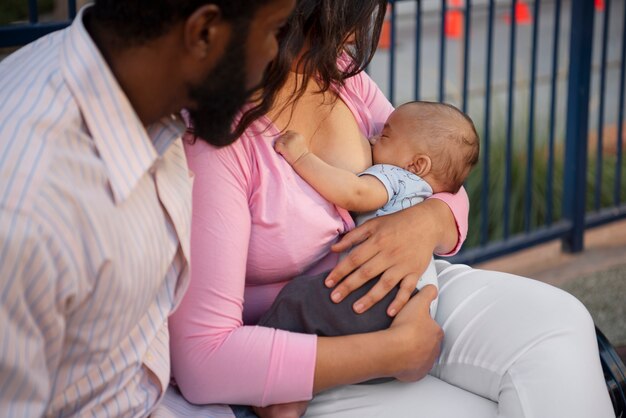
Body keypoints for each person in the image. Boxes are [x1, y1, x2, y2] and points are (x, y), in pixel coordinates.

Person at [166, 1, 614, 418]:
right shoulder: (216, 141)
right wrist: (395, 352)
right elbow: (202, 357)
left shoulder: (339, 76)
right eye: (350, 19)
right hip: (315, 336)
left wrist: (427, 221)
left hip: (410, 285)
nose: (358, 37)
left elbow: (435, 171)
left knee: (560, 322)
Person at [0, 0, 295, 416]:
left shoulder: (142, 91)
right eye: (274, 29)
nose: (273, 53)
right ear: (204, 32)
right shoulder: (27, 209)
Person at [260, 100, 480, 337]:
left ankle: (257, 349)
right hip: (410, 299)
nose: (373, 138)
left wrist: (301, 156)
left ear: (416, 164)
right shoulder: (425, 191)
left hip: (380, 292)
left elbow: (354, 193)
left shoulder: (395, 177)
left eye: (385, 136)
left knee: (297, 300)